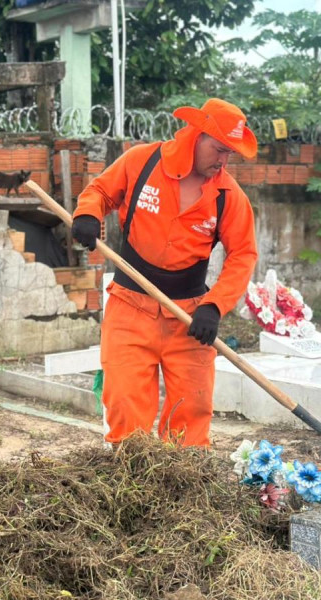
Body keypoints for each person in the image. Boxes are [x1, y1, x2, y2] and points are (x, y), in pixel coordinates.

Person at [70, 98, 258, 447]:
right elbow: (100, 191)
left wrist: (214, 306)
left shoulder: (228, 196)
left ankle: (183, 477)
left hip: (188, 319)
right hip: (130, 307)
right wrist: (87, 214)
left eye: (229, 153)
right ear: (197, 135)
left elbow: (243, 254)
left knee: (192, 413)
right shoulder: (142, 162)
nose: (223, 160)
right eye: (219, 149)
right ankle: (129, 474)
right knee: (125, 406)